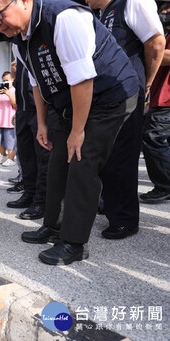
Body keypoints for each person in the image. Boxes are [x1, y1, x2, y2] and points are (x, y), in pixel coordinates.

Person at [0, 0, 139, 265]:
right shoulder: (20, 40)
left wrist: (78, 131)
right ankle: (54, 227)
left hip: (110, 95)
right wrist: (43, 125)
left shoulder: (64, 18)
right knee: (58, 161)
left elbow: (83, 79)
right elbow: (37, 83)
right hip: (74, 101)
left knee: (82, 159)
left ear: (24, 1)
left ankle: (74, 243)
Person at [86, 0, 165, 239]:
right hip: (104, 94)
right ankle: (108, 203)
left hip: (127, 88)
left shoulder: (132, 2)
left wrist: (147, 84)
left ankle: (124, 219)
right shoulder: (99, 14)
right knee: (105, 154)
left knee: (122, 155)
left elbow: (155, 42)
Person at [6, 59, 56, 221]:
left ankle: (41, 200)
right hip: (23, 109)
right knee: (26, 156)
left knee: (42, 156)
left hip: (42, 108)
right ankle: (29, 193)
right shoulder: (17, 44)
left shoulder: (38, 39)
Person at [139, 1, 170, 203]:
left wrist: (147, 50)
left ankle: (165, 184)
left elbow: (164, 55)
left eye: (168, 7)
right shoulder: (164, 33)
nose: (164, 12)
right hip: (160, 95)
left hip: (166, 97)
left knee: (153, 137)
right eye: (163, 8)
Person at [0, 70, 17, 167]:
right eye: (3, 81)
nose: (4, 83)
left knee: (10, 142)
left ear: (12, 80)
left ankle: (11, 159)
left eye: (6, 80)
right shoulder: (1, 91)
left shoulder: (15, 90)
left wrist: (9, 94)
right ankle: (4, 156)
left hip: (10, 121)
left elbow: (16, 104)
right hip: (1, 121)